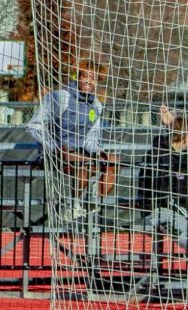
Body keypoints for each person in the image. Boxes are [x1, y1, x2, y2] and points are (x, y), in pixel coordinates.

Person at [25, 59, 119, 212]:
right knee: (85, 162)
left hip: (81, 155)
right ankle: (73, 206)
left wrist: (98, 151)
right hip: (56, 153)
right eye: (85, 76)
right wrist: (53, 146)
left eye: (93, 78)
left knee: (113, 160)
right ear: (77, 77)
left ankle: (94, 201)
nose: (89, 81)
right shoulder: (59, 97)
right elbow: (33, 127)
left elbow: (90, 137)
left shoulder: (96, 105)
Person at [137, 113, 188, 261]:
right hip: (157, 209)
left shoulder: (186, 157)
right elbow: (165, 197)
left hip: (181, 208)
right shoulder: (159, 156)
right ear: (184, 136)